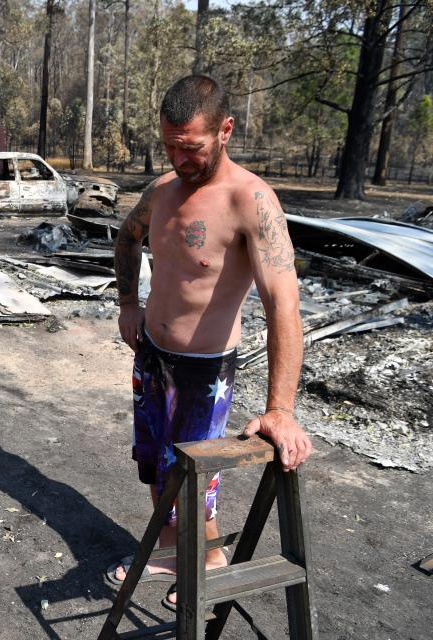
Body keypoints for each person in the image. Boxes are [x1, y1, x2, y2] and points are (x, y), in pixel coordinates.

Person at [108, 75, 313, 609]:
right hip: (151, 354)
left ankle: (211, 557)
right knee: (155, 462)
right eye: (169, 145)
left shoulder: (251, 200)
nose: (179, 158)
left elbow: (283, 307)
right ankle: (172, 549)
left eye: (191, 146)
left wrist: (280, 409)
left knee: (195, 474)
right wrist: (129, 304)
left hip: (206, 368)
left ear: (225, 130)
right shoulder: (161, 191)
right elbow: (126, 238)